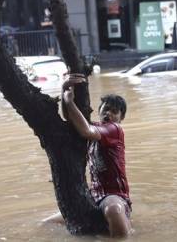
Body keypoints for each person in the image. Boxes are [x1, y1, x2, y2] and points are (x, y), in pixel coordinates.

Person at [42, 74, 132, 237]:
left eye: (114, 112)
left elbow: (85, 130)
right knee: (47, 223)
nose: (108, 114)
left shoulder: (115, 129)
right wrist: (64, 91)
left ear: (121, 118)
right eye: (105, 110)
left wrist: (69, 101)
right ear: (98, 112)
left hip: (114, 195)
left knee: (113, 209)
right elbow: (71, 119)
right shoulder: (95, 128)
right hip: (92, 195)